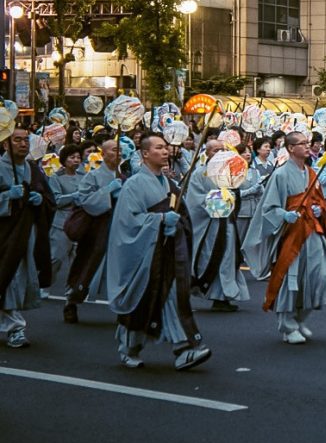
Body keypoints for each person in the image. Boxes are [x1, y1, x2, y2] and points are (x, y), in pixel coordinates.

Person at [101, 134, 211, 369]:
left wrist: (176, 224)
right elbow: (128, 222)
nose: (165, 152)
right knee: (143, 298)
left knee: (171, 296)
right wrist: (159, 219)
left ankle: (183, 348)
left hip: (167, 252)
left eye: (166, 148)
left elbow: (181, 215)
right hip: (145, 254)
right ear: (145, 154)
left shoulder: (170, 184)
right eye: (159, 148)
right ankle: (129, 347)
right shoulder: (134, 184)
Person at [243, 132, 326, 343]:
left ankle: (301, 317)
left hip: (311, 229)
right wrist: (284, 215)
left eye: (307, 143)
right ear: (291, 148)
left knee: (318, 274)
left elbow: (319, 200)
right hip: (292, 233)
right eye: (302, 143)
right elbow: (270, 207)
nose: (307, 146)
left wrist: (319, 208)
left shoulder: (311, 173)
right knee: (291, 278)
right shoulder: (281, 174)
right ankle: (287, 324)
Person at [0, 127, 54, 348]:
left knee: (14, 278)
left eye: (26, 140)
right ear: (5, 144)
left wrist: (39, 200)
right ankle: (15, 328)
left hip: (26, 234)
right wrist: (5, 197)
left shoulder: (33, 169)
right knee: (7, 277)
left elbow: (50, 198)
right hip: (4, 235)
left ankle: (13, 326)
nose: (23, 144)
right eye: (17, 140)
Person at [185, 140, 250, 312]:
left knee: (228, 260)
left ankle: (223, 296)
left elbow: (237, 192)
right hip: (210, 226)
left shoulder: (230, 171)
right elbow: (194, 199)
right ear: (207, 153)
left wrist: (231, 197)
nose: (220, 152)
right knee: (211, 258)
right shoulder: (200, 173)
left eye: (223, 149)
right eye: (215, 150)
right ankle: (213, 293)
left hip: (227, 222)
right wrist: (217, 201)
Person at [64, 139, 122, 324]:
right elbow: (85, 200)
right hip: (98, 227)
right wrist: (107, 192)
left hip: (120, 227)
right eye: (113, 150)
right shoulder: (93, 176)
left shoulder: (126, 175)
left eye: (120, 150)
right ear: (103, 154)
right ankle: (72, 300)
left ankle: (126, 309)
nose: (118, 153)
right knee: (88, 263)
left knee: (124, 268)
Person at [48, 143, 84, 279]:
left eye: (78, 157)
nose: (76, 160)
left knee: (77, 259)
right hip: (61, 223)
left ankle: (73, 289)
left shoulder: (84, 176)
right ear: (64, 159)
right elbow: (56, 200)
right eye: (72, 157)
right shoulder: (55, 177)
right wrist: (73, 196)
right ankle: (44, 283)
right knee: (56, 257)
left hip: (79, 222)